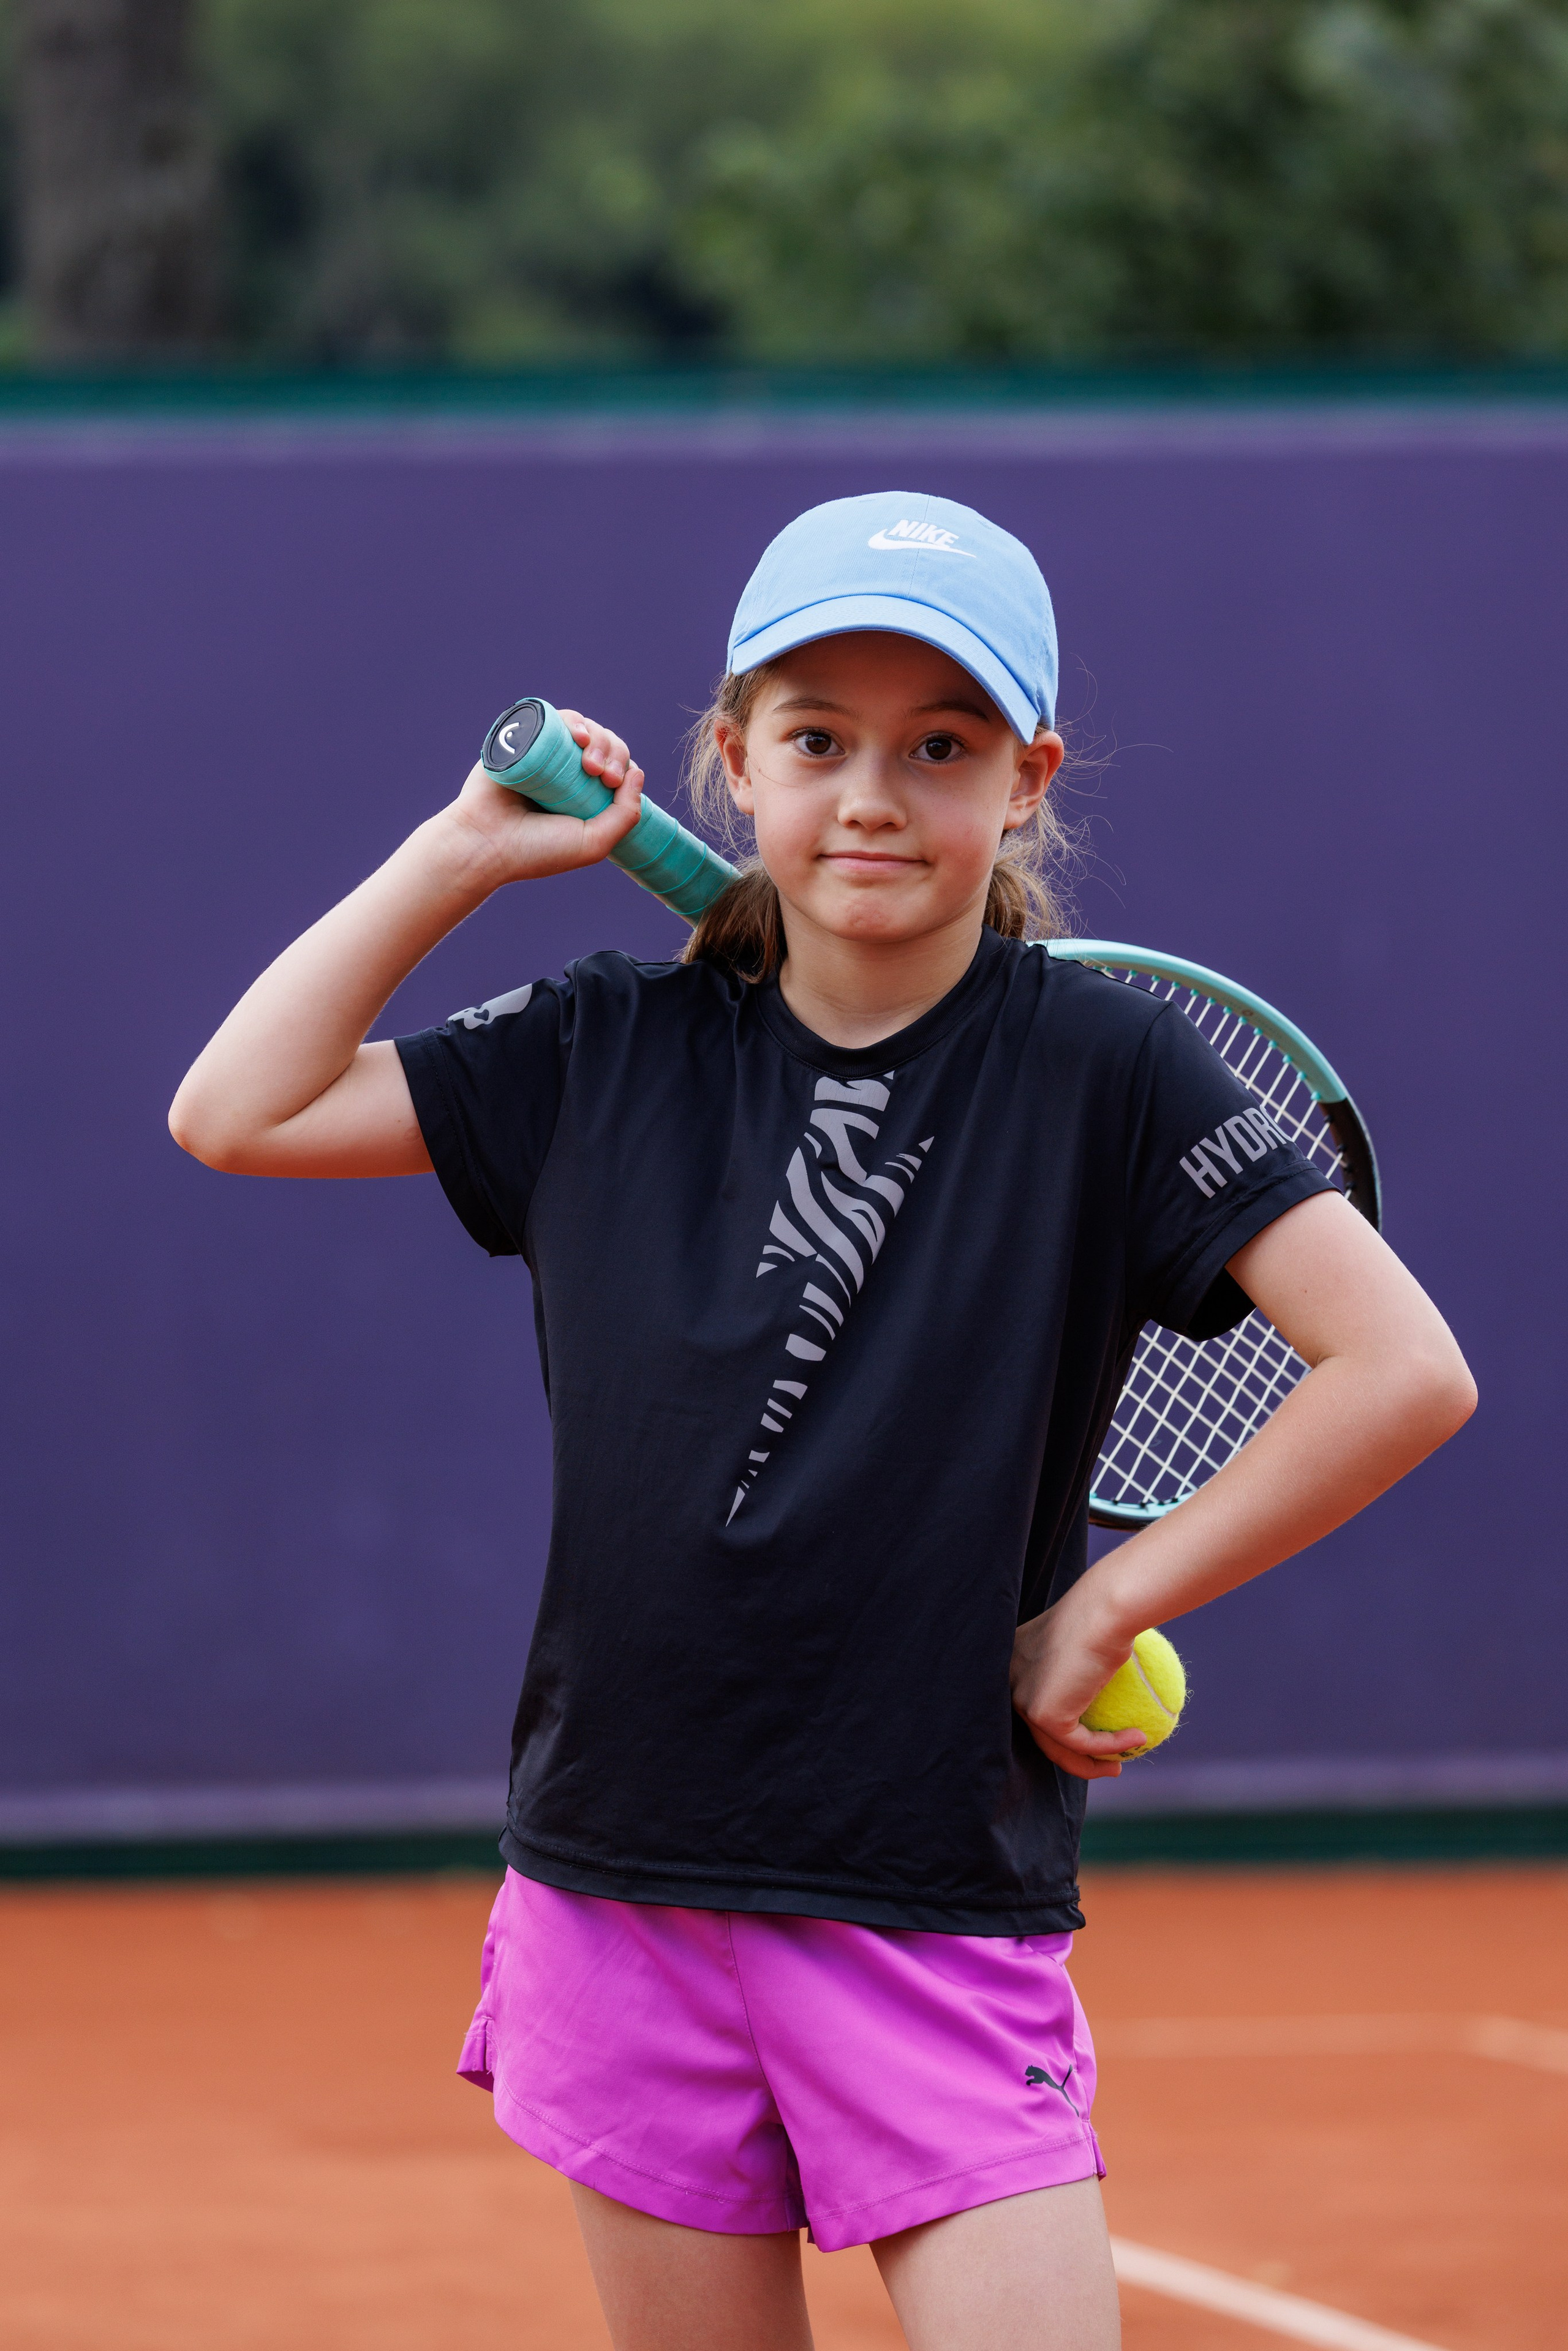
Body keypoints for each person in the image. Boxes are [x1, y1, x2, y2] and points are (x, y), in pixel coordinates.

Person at [169, 492, 1475, 2351]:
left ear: (1025, 782)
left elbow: (1404, 1367)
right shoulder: (603, 1046)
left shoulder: (1112, 1068)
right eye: (816, 740)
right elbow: (237, 1110)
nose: (872, 796)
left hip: (927, 1896)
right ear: (734, 759)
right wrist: (462, 855)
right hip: (620, 1882)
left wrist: (1110, 1600)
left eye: (939, 747)